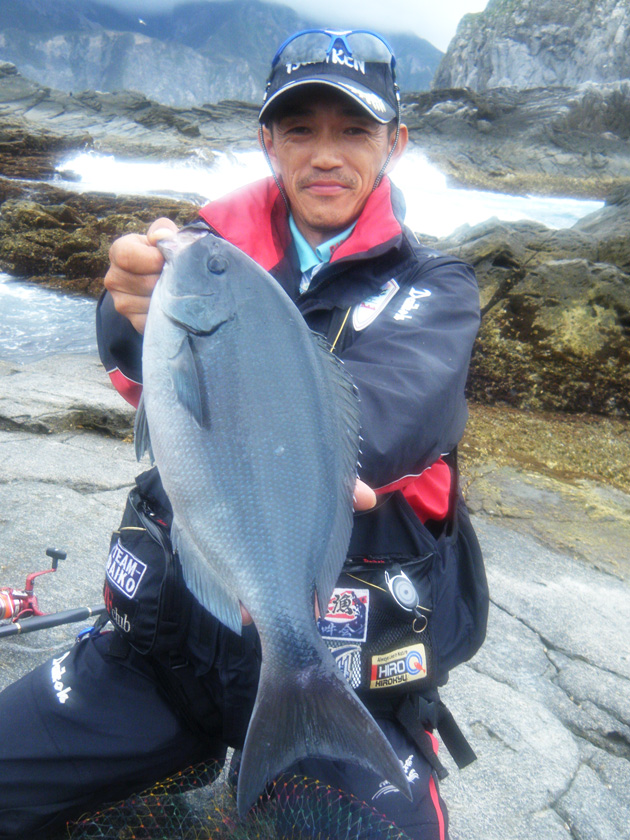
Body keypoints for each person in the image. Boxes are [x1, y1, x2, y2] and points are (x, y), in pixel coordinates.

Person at [0, 28, 488, 840]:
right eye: (300, 130)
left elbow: (395, 412)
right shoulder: (204, 252)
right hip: (160, 655)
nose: (325, 154)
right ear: (266, 141)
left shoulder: (434, 286)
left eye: (354, 130)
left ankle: (300, 718)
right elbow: (135, 367)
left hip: (339, 666)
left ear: (396, 144)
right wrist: (127, 305)